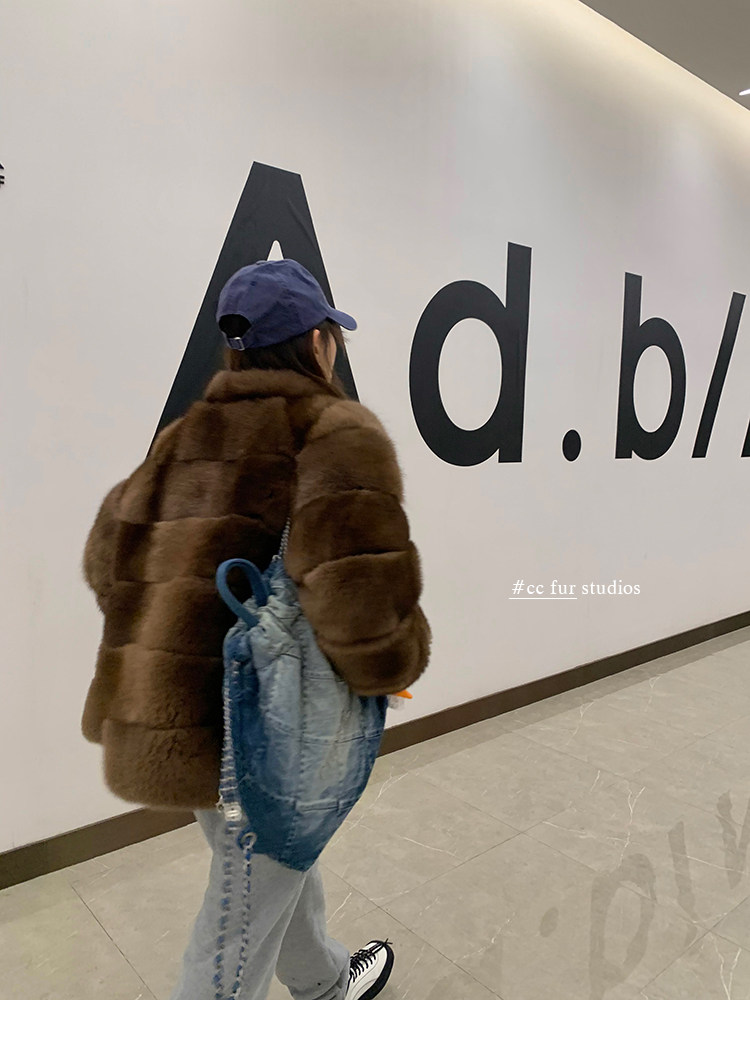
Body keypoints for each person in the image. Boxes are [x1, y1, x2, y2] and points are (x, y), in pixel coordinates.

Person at [81, 258, 432, 1000]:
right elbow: (361, 601)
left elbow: (106, 559)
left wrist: (179, 634)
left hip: (183, 717)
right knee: (237, 922)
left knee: (267, 860)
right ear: (318, 341)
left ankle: (324, 982)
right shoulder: (334, 431)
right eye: (333, 334)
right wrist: (390, 663)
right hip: (263, 725)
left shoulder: (184, 435)